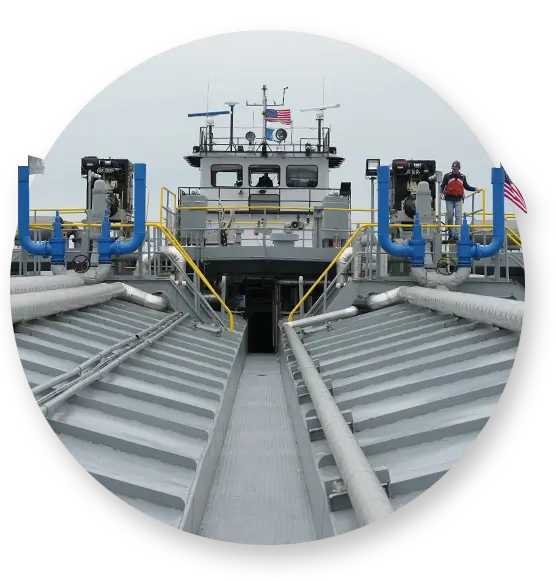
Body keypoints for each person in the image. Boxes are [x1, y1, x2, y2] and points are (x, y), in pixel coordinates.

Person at [440, 161, 479, 241]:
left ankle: (456, 235)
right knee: (450, 216)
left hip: (458, 199)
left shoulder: (462, 177)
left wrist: (475, 189)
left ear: (459, 168)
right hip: (449, 199)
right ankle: (450, 234)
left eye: (455, 168)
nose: (454, 170)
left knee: (458, 217)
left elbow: (466, 187)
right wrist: (441, 193)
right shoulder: (447, 176)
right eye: (453, 168)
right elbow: (443, 185)